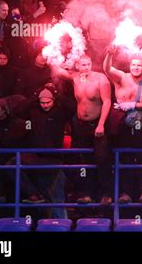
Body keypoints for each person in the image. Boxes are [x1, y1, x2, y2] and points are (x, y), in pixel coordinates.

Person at [53, 55, 112, 205]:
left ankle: (106, 193)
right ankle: (87, 193)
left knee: (102, 159)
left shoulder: (101, 79)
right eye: (83, 65)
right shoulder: (75, 77)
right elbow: (57, 69)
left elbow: (107, 102)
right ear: (77, 66)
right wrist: (54, 51)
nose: (86, 67)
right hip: (80, 125)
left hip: (97, 124)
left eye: (88, 64)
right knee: (84, 160)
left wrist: (101, 124)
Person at [103, 46, 142, 204]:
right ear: (129, 66)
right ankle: (125, 193)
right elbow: (106, 68)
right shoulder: (121, 77)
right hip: (122, 126)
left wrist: (133, 105)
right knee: (124, 158)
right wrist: (109, 53)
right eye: (133, 64)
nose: (135, 67)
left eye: (139, 65)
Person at [10, 84, 75, 217]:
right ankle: (34, 194)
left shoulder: (59, 111)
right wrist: (36, 95)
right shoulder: (34, 111)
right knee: (11, 165)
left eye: (48, 102)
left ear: (54, 101)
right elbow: (17, 110)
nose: (45, 105)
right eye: (42, 102)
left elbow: (74, 107)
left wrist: (56, 94)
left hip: (54, 159)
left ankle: (61, 225)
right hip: (36, 157)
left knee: (56, 198)